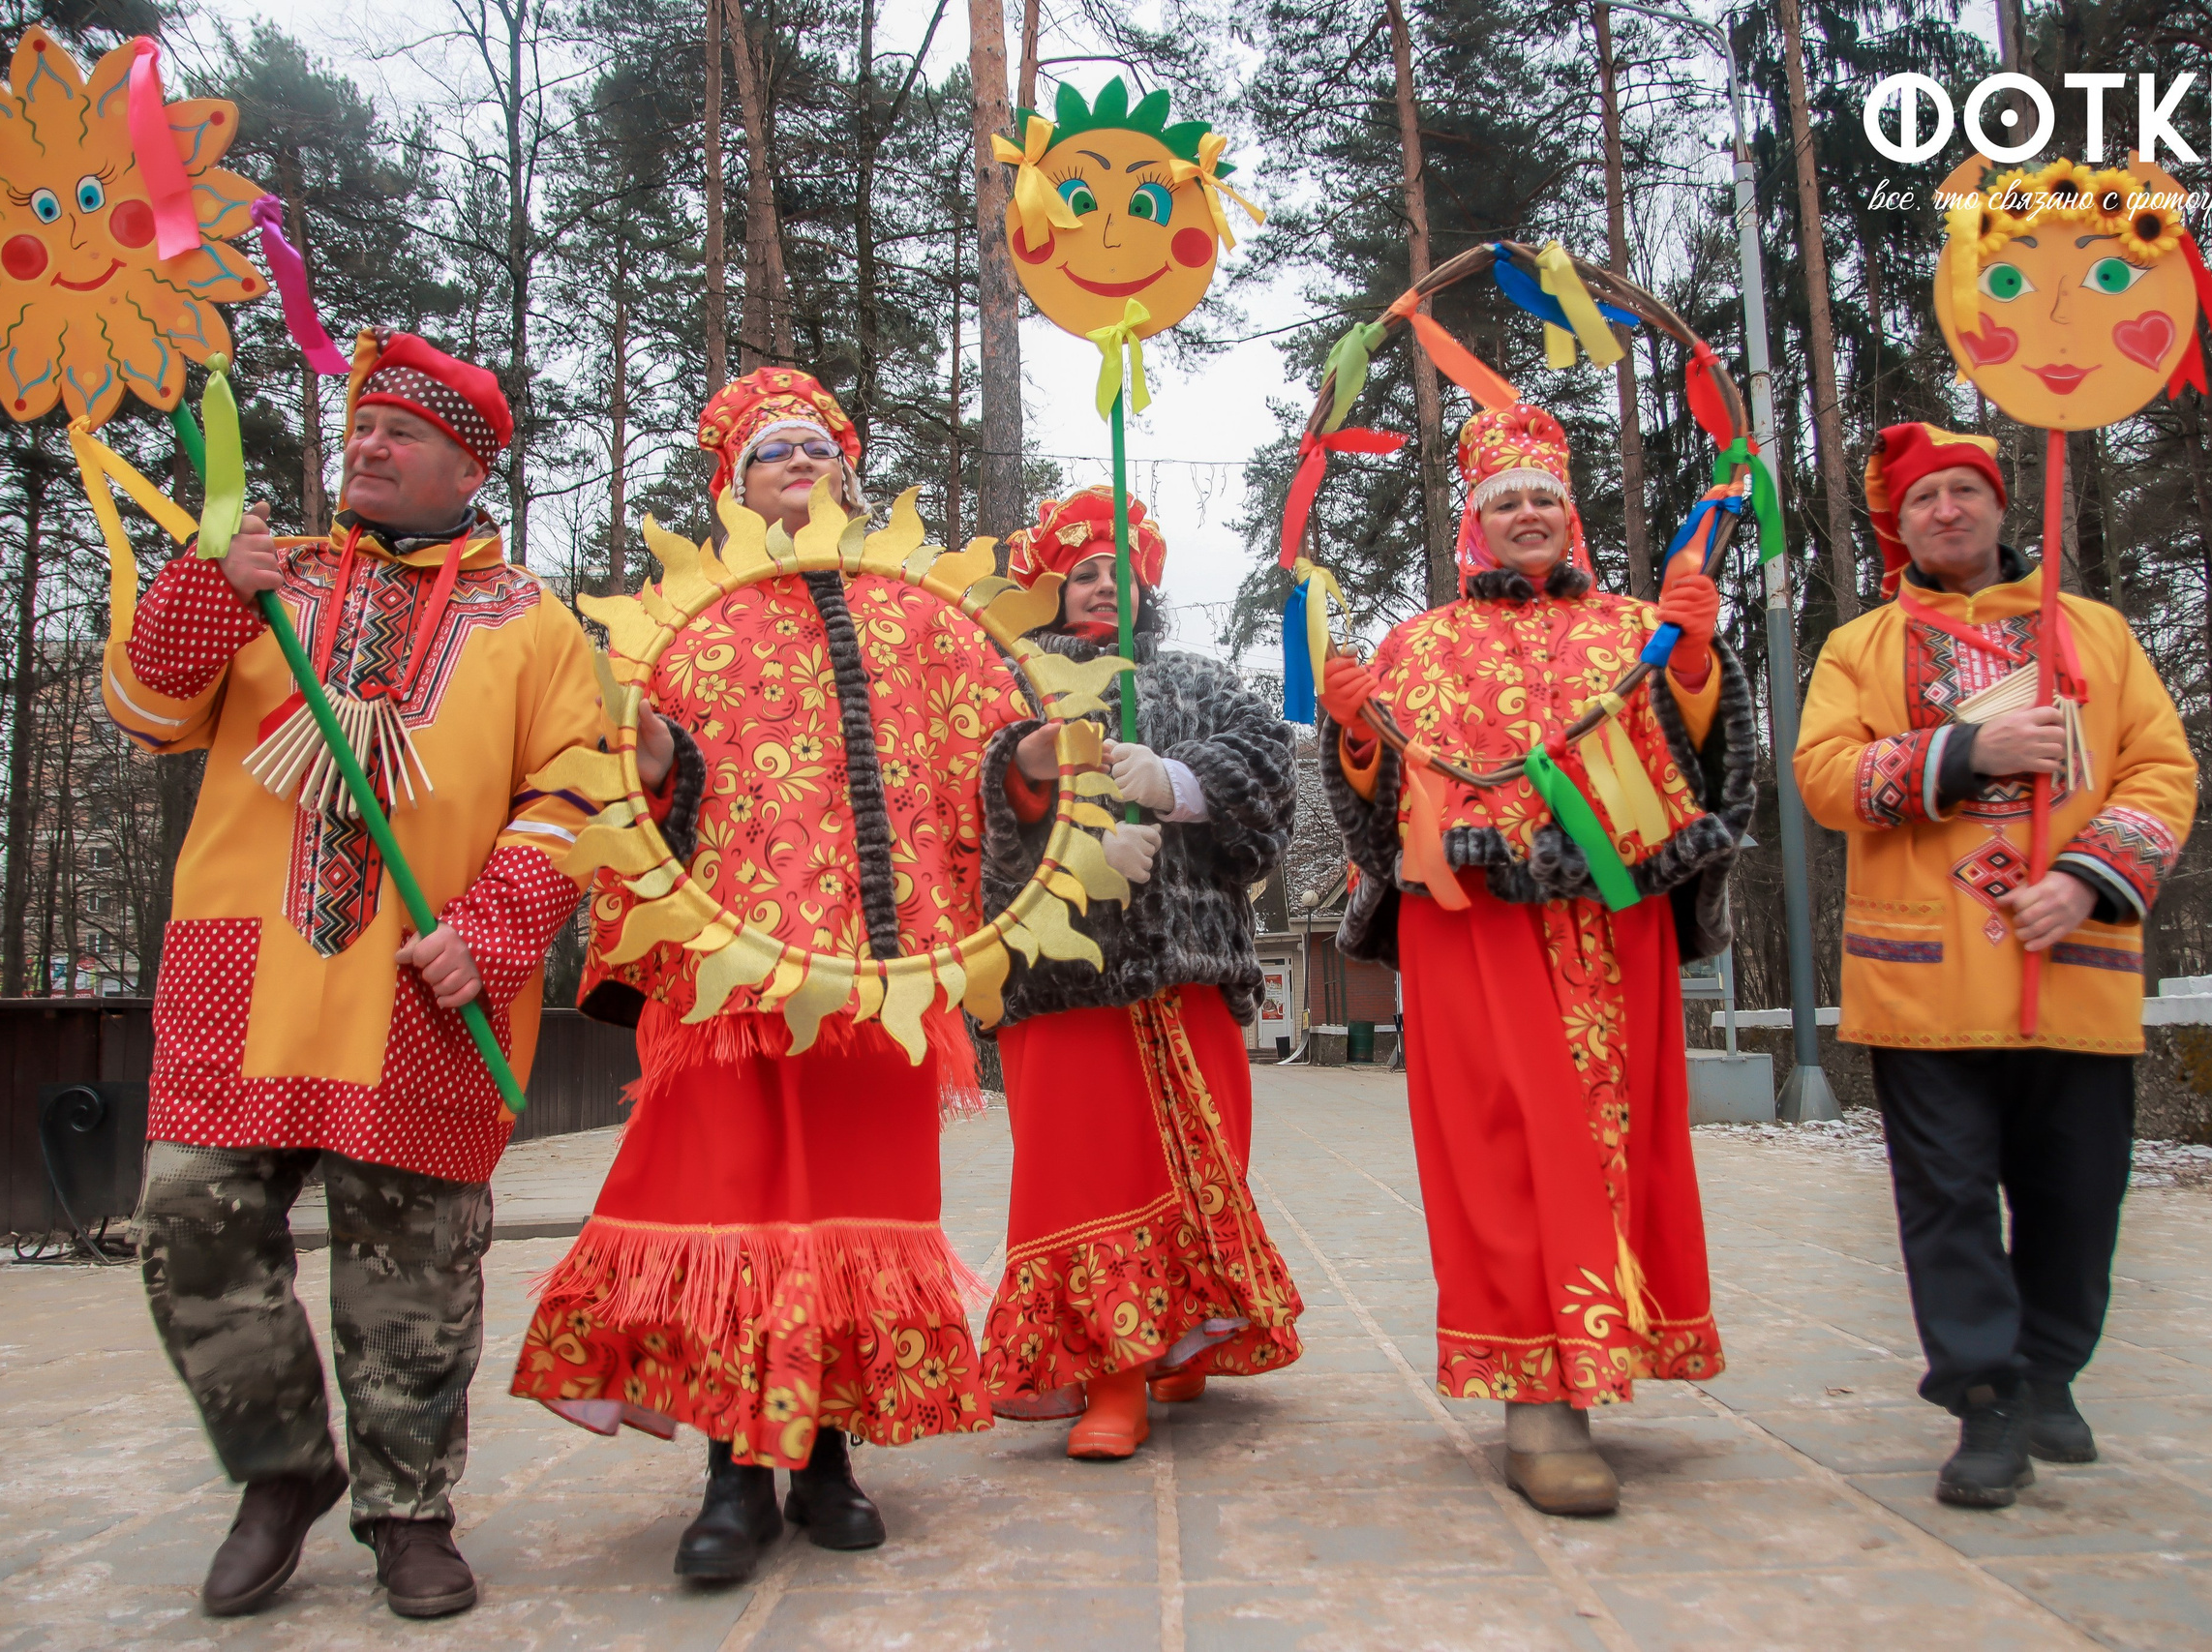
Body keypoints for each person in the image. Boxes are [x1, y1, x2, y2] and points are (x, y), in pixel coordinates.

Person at [508, 367, 1038, 1579]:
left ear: (848, 474)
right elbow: (629, 793)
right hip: (726, 983)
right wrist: (648, 765)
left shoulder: (924, 618)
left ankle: (832, 1448)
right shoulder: (684, 619)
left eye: (815, 449)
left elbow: (986, 772)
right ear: (731, 486)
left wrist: (1038, 767)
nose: (797, 465)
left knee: (857, 1206)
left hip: (876, 979)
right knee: (731, 1209)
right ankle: (735, 1468)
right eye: (770, 454)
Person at [109, 332, 605, 1619]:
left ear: (466, 464)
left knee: (415, 1258)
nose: (365, 447)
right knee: (190, 1216)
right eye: (361, 428)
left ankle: (408, 1508)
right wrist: (209, 589)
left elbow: (576, 791)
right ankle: (281, 1470)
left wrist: (494, 926)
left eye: (399, 433)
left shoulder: (532, 621)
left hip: (420, 979)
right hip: (253, 968)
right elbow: (148, 706)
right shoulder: (268, 575)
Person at [1315, 403, 1755, 1517]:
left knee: (1619, 1135)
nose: (1526, 514)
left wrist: (1696, 663)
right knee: (1507, 1139)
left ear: (1572, 516)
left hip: (1614, 926)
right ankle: (1537, 1396)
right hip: (1479, 931)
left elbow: (1701, 769)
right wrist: (1358, 735)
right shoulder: (1421, 642)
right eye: (1503, 500)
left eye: (1543, 498)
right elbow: (1386, 814)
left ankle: (1601, 1354)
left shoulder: (1634, 630)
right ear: (1472, 525)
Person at [1796, 422, 2197, 1509]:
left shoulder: (2097, 635)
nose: (1949, 511)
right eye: (1927, 499)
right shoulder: (1860, 647)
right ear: (1901, 521)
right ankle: (1983, 1398)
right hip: (1923, 978)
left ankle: (2049, 1368)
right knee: (1948, 1202)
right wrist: (1966, 751)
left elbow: (2159, 769)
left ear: (2001, 507)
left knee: (2077, 1195)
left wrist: (2089, 879)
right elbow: (1826, 778)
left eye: (1968, 491)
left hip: (2069, 962)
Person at [976, 488, 1304, 1459]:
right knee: (1082, 1168)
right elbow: (974, 797)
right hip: (1060, 973)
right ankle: (1110, 1372)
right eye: (1081, 571)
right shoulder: (1013, 686)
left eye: (1118, 570)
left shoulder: (1200, 679)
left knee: (1207, 1154)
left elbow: (1265, 777)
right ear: (1051, 588)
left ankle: (1184, 1334)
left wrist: (1179, 785)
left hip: (1191, 959)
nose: (1100, 586)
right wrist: (1052, 813)